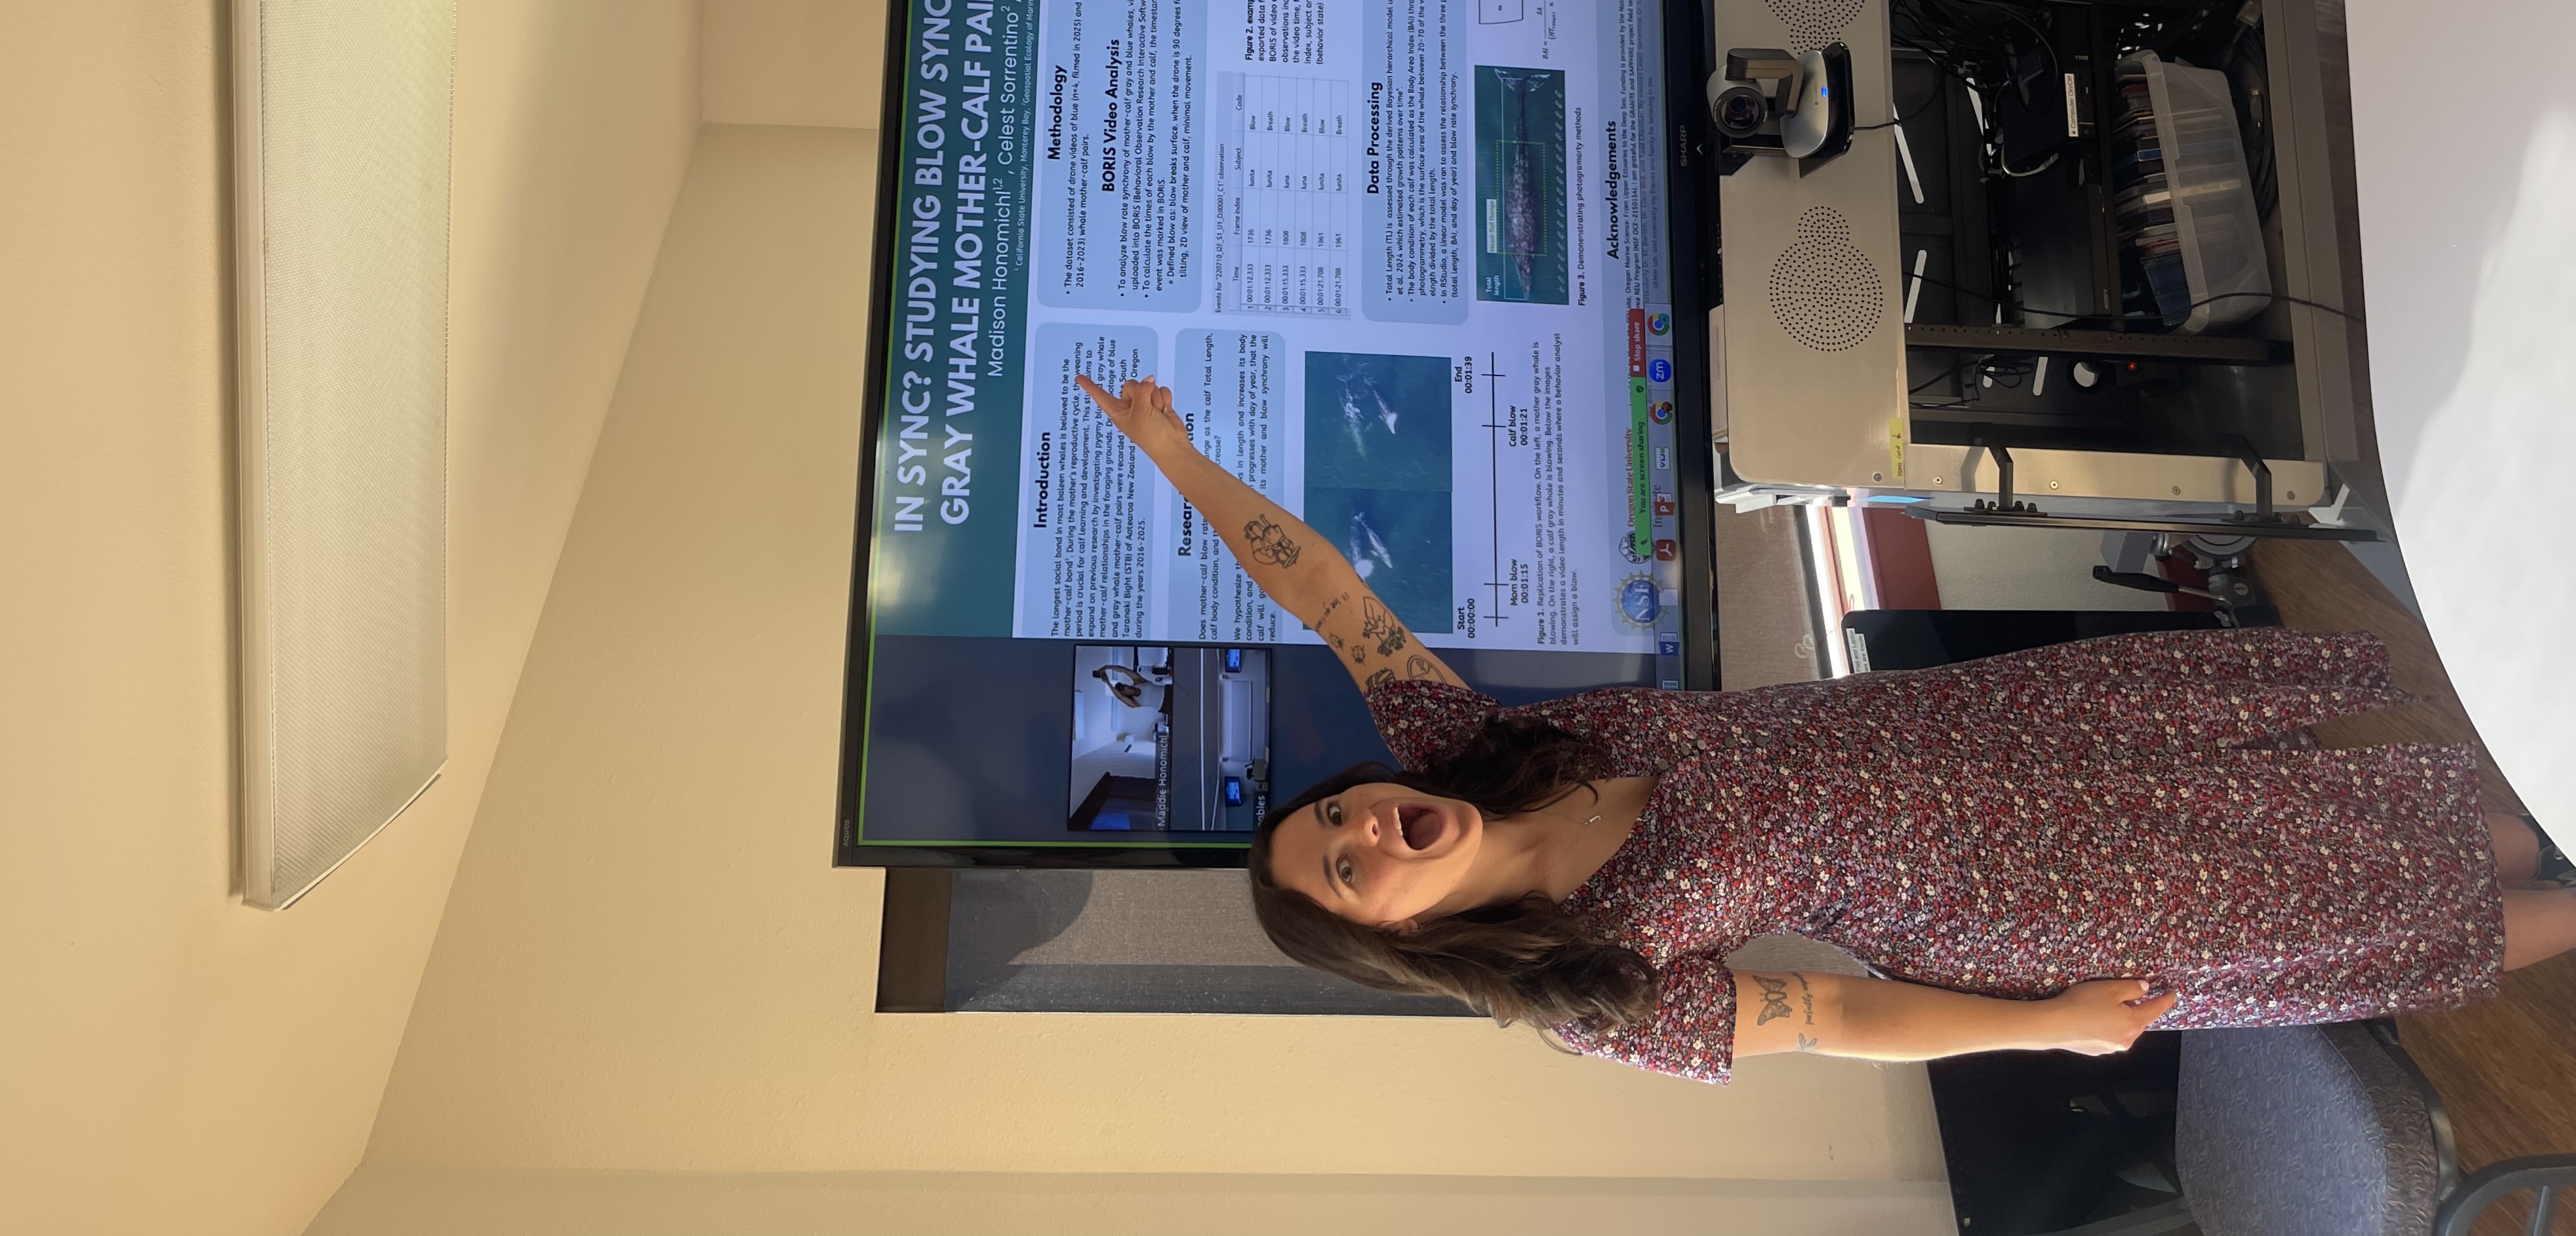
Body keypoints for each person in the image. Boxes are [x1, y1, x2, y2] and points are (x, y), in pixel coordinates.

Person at [1074, 373, 2575, 1082]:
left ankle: (2559, 797)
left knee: (2372, 799)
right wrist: (2040, 1024)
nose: (1359, 831)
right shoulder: (1578, 988)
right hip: (2035, 897)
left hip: (2002, 740)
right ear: (1392, 938)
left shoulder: (1461, 749)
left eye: (1334, 814)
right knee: (2361, 895)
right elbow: (1840, 1018)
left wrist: (1176, 458)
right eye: (1345, 870)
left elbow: (1331, 597)